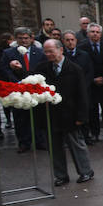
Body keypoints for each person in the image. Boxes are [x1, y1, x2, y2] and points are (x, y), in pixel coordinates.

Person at [36, 39, 94, 186]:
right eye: (46, 51)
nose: (48, 54)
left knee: (76, 144)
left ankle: (85, 171)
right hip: (50, 115)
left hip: (70, 114)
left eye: (51, 51)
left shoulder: (74, 69)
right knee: (54, 146)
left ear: (60, 50)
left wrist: (82, 116)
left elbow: (82, 94)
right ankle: (61, 175)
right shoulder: (42, 68)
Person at [0, 27, 47, 152]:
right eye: (20, 38)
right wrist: (16, 81)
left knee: (37, 116)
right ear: (16, 39)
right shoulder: (8, 53)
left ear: (31, 38)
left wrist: (34, 80)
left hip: (35, 88)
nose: (24, 41)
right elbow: (4, 69)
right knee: (20, 117)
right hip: (17, 89)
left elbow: (43, 69)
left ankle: (39, 140)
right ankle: (24, 142)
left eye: (26, 38)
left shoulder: (40, 52)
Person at [78, 23, 103, 142]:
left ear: (101, 33)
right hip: (91, 83)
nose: (95, 34)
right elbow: (82, 66)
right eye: (92, 32)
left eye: (97, 32)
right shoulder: (82, 47)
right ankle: (95, 133)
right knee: (92, 110)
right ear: (88, 33)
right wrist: (93, 79)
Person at [62, 30, 94, 144]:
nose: (70, 42)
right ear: (63, 42)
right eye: (67, 40)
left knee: (84, 113)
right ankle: (69, 139)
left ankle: (86, 136)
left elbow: (89, 72)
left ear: (76, 41)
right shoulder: (61, 56)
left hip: (83, 90)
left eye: (72, 40)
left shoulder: (84, 55)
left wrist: (83, 86)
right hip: (67, 91)